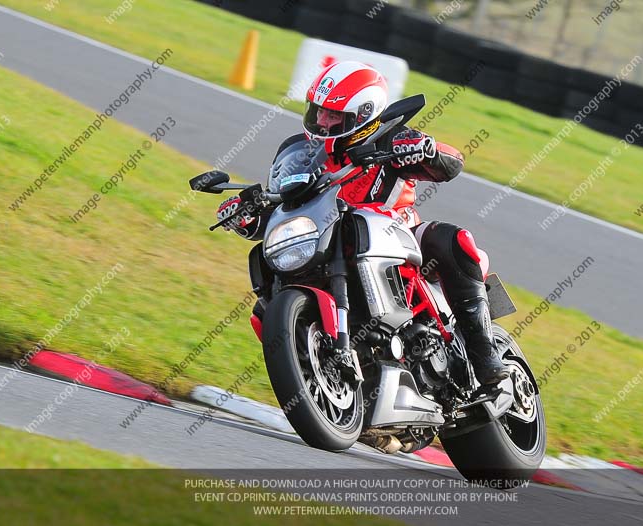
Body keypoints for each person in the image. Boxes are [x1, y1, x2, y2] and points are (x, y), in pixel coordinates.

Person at [216, 61, 509, 386]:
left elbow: (451, 163)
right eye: (319, 111)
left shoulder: (389, 137)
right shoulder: (300, 151)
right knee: (266, 304)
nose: (323, 121)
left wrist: (425, 150)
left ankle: (484, 355)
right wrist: (249, 214)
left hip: (398, 237)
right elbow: (284, 202)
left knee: (450, 239)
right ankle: (314, 373)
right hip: (326, 240)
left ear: (362, 115)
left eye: (333, 115)